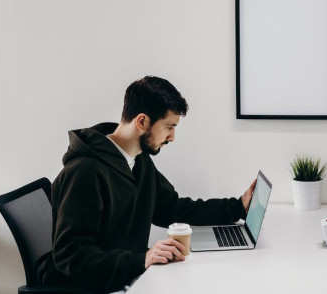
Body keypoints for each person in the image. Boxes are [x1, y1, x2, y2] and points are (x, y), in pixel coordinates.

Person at [43, 76, 256, 293]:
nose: (172, 137)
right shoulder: (85, 171)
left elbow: (172, 208)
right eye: (169, 127)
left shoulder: (140, 161)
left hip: (130, 277)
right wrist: (141, 260)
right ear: (142, 121)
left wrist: (238, 206)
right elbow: (71, 255)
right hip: (96, 286)